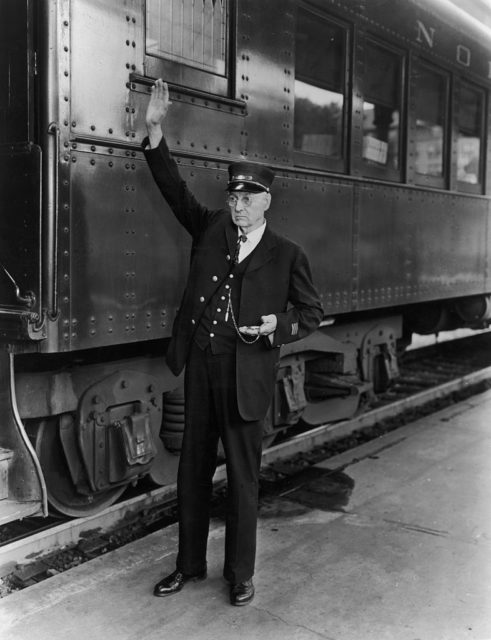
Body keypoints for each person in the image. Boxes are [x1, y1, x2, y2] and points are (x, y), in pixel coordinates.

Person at [143, 79, 323, 606]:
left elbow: (311, 313)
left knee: (243, 478)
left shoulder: (288, 254)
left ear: (266, 201)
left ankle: (240, 574)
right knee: (191, 470)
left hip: (246, 372)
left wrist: (278, 327)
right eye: (233, 197)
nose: (237, 206)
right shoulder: (211, 228)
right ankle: (188, 566)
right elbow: (174, 190)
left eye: (247, 199)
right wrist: (155, 131)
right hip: (201, 363)